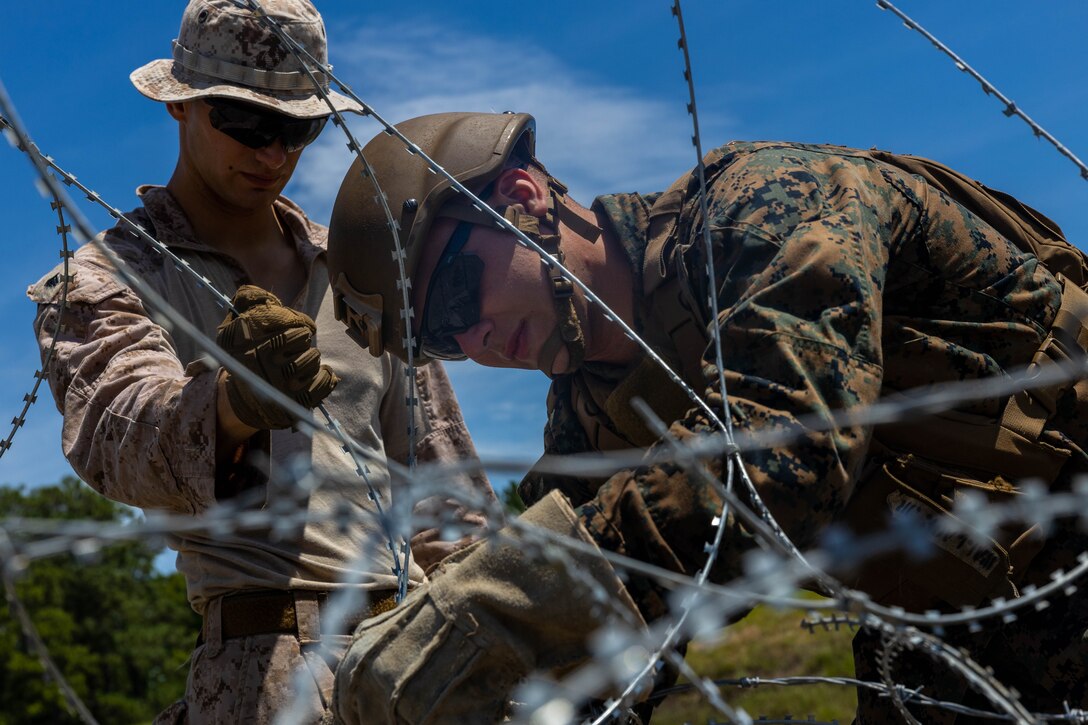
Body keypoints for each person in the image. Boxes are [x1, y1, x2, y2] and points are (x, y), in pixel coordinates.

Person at [325, 111, 1088, 724]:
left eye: (458, 296)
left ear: (523, 197)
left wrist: (499, 599)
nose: (475, 340)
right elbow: (613, 648)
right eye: (440, 339)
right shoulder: (588, 427)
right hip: (953, 627)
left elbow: (785, 455)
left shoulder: (764, 206)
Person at [28, 6, 493, 724]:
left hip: (413, 657)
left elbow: (444, 490)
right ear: (180, 102)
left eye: (296, 129)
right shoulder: (108, 279)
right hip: (262, 667)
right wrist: (232, 402)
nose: (272, 154)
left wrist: (501, 636)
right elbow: (117, 432)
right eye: (245, 123)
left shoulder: (360, 267)